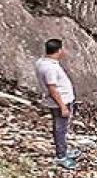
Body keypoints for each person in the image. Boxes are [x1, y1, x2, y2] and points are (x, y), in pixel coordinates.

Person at [34, 38, 79, 170]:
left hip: (59, 100)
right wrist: (63, 106)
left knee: (61, 127)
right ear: (58, 51)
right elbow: (52, 88)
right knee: (60, 128)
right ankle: (61, 156)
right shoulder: (50, 68)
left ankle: (63, 150)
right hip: (60, 102)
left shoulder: (41, 62)